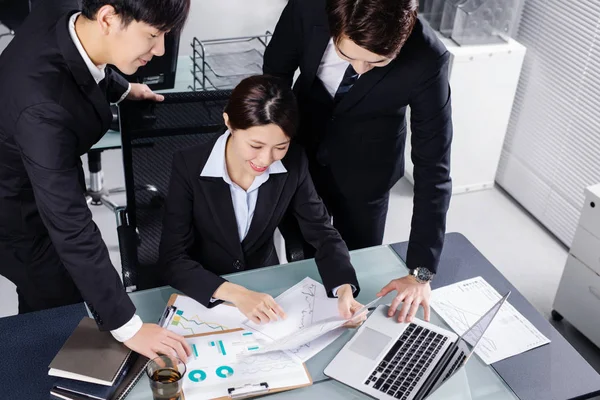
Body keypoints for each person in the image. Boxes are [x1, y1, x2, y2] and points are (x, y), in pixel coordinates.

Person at [0, 0, 192, 361]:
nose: (161, 49)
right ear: (107, 17)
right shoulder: (43, 108)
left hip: (30, 156)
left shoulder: (67, 9)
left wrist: (122, 88)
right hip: (15, 210)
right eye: (153, 35)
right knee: (59, 308)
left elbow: (79, 58)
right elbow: (71, 227)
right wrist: (130, 327)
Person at [263, 0, 453, 324]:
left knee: (359, 275)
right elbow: (275, 74)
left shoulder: (428, 58)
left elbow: (433, 167)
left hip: (369, 170)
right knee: (313, 275)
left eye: (377, 62)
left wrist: (421, 272)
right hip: (303, 150)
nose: (361, 69)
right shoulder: (307, 8)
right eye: (348, 56)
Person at [159, 75, 364, 325]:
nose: (266, 159)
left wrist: (343, 288)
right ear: (229, 123)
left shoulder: (294, 164)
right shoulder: (189, 165)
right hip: (204, 291)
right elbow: (172, 259)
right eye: (255, 145)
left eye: (280, 146)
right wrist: (236, 294)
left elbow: (322, 232)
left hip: (266, 284)